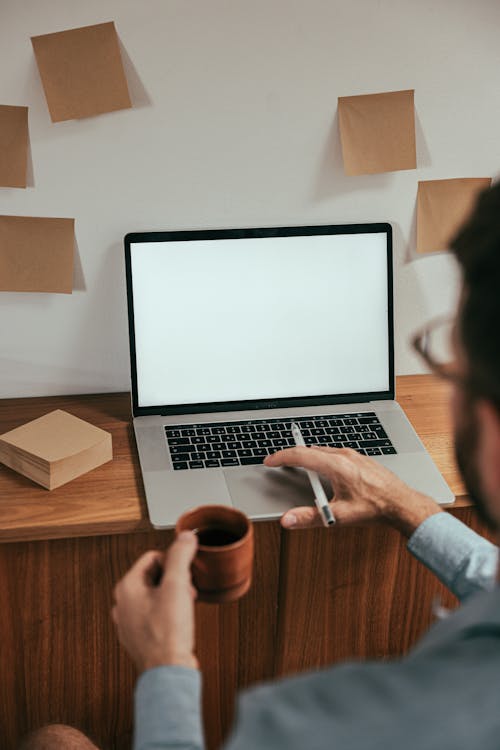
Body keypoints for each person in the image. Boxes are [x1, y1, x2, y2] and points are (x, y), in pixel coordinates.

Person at [24, 182, 500, 748]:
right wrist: (408, 504)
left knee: (54, 739)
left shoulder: (315, 723)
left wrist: (164, 659)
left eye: (451, 362)